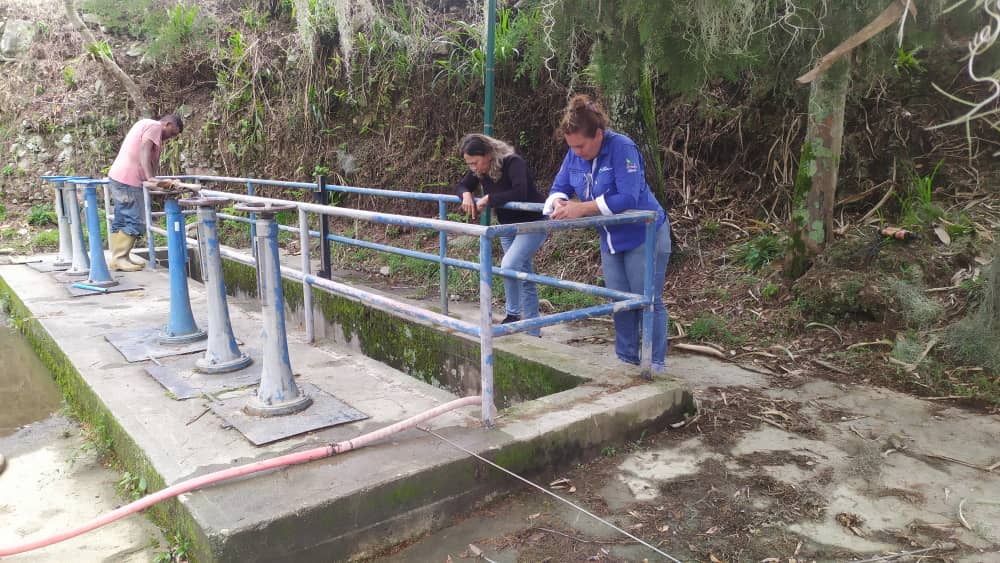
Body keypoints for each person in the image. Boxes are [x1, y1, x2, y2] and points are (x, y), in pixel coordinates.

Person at [544, 95, 672, 373]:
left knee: (646, 299)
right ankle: (627, 360)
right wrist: (558, 202)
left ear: (598, 135)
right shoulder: (574, 152)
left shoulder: (622, 147)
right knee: (620, 300)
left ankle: (654, 363)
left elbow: (628, 195)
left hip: (644, 233)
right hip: (611, 238)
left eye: (580, 145)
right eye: (571, 146)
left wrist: (582, 209)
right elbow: (560, 185)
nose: (576, 151)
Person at [455, 133, 548, 336]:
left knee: (509, 266)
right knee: (521, 273)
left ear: (488, 154)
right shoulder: (479, 170)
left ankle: (523, 322)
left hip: (532, 223)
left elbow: (520, 192)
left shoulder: (512, 162)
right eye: (469, 164)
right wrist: (466, 194)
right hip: (508, 226)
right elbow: (462, 185)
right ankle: (523, 323)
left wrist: (489, 198)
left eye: (475, 163)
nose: (473, 168)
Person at [106, 114, 184, 271]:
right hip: (129, 179)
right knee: (134, 219)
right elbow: (144, 149)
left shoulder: (145, 124)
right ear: (167, 124)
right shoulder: (155, 126)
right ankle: (119, 258)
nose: (171, 138)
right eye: (173, 133)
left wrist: (153, 180)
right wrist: (150, 178)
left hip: (119, 177)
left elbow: (147, 156)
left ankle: (120, 258)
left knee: (122, 218)